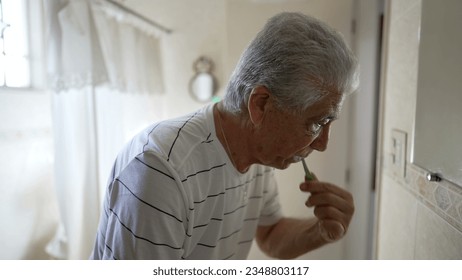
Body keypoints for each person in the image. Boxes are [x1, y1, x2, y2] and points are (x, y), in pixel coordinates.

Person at [90, 11, 358, 260]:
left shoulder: (261, 156)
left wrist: (320, 231)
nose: (323, 144)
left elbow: (271, 234)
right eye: (317, 123)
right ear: (261, 104)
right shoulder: (161, 170)